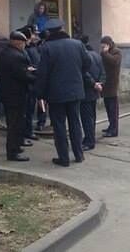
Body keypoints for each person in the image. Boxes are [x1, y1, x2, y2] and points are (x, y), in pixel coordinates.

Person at [35, 19, 92, 167]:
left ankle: (64, 158)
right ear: (62, 28)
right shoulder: (77, 44)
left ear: (49, 32)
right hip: (75, 91)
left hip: (56, 94)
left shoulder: (47, 47)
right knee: (75, 122)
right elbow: (87, 63)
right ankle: (79, 155)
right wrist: (77, 75)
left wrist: (39, 93)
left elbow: (43, 73)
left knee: (59, 126)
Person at [0, 31, 36, 162]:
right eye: (24, 43)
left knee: (14, 123)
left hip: (9, 95)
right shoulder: (16, 56)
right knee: (15, 124)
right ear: (18, 42)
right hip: (16, 96)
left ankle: (17, 146)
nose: (25, 45)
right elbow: (23, 75)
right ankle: (13, 152)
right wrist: (36, 76)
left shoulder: (4, 53)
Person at [80, 36, 105, 151]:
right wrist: (100, 84)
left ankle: (89, 141)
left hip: (86, 90)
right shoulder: (97, 55)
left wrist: (94, 84)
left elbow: (84, 73)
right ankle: (91, 137)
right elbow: (103, 72)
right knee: (92, 116)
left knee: (86, 118)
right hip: (95, 90)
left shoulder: (83, 56)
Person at [100, 36, 122, 138]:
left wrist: (105, 53)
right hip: (105, 83)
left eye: (104, 45)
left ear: (108, 44)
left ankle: (114, 130)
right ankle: (110, 126)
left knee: (113, 109)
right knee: (108, 107)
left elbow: (114, 62)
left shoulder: (117, 52)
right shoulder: (104, 52)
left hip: (112, 84)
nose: (102, 47)